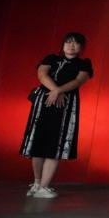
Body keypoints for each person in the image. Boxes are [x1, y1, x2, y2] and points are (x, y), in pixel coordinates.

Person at [20, 32, 93, 198]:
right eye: (68, 42)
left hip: (65, 105)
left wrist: (59, 91)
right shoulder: (51, 58)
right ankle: (37, 183)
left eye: (75, 43)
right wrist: (55, 91)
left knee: (56, 143)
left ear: (81, 47)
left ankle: (44, 186)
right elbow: (42, 75)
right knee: (38, 142)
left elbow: (79, 81)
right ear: (63, 44)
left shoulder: (84, 63)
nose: (71, 45)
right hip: (44, 103)